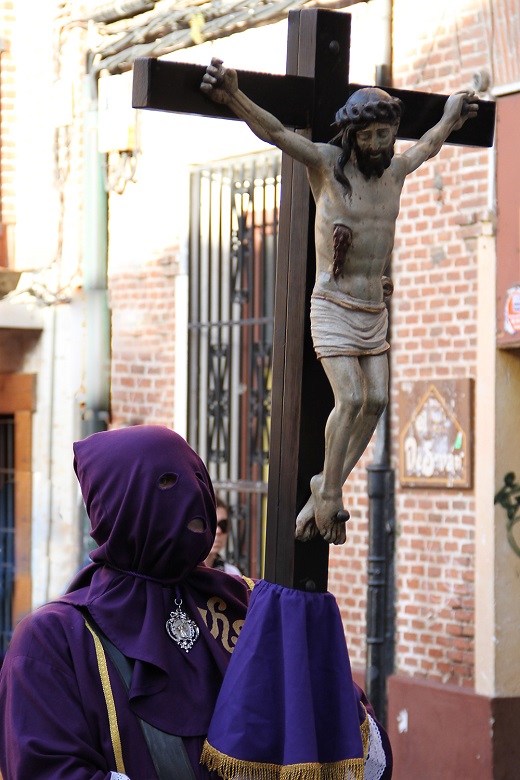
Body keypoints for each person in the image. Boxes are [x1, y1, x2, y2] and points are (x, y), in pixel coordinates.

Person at [201, 59, 478, 546]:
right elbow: (275, 133)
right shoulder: (327, 165)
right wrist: (232, 97)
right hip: (332, 304)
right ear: (353, 134)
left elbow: (430, 146)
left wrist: (452, 117)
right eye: (371, 135)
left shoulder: (395, 171)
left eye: (387, 134)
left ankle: (326, 489)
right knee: (350, 398)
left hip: (373, 309)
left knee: (375, 401)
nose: (381, 144)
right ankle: (328, 494)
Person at [0, 425, 253, 780]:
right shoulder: (52, 641)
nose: (194, 494)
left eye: (197, 476)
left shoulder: (248, 602)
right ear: (119, 504)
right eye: (167, 482)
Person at [204, 496, 242, 575]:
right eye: (212, 524)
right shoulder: (180, 574)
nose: (218, 531)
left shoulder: (232, 574)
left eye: (223, 524)